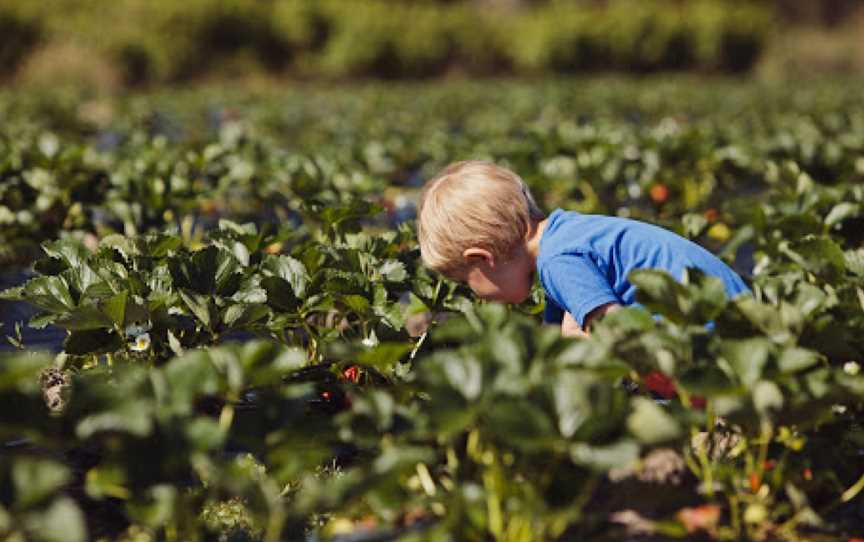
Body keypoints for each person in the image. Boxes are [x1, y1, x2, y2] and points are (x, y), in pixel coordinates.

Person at [416, 160, 750, 338]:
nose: (474, 296)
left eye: (466, 282)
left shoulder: (559, 261)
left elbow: (618, 332)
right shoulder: (567, 233)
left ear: (482, 258)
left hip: (718, 342)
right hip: (737, 317)